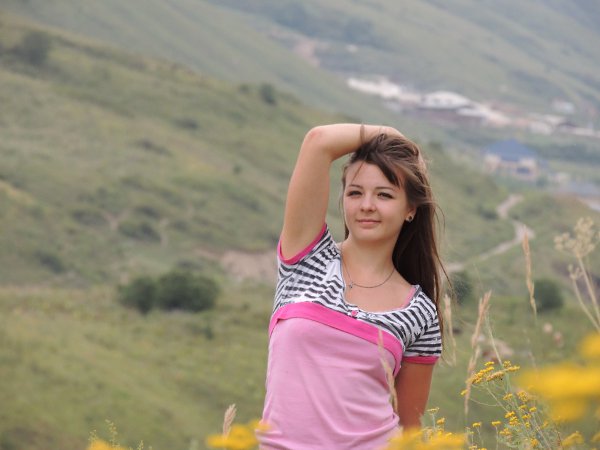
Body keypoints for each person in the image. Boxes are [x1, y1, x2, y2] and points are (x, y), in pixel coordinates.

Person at [258, 123, 445, 449]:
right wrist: (391, 133)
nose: (366, 205)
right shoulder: (306, 260)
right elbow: (318, 142)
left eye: (384, 194)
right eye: (355, 193)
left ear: (410, 209)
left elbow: (409, 433)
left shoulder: (419, 312)